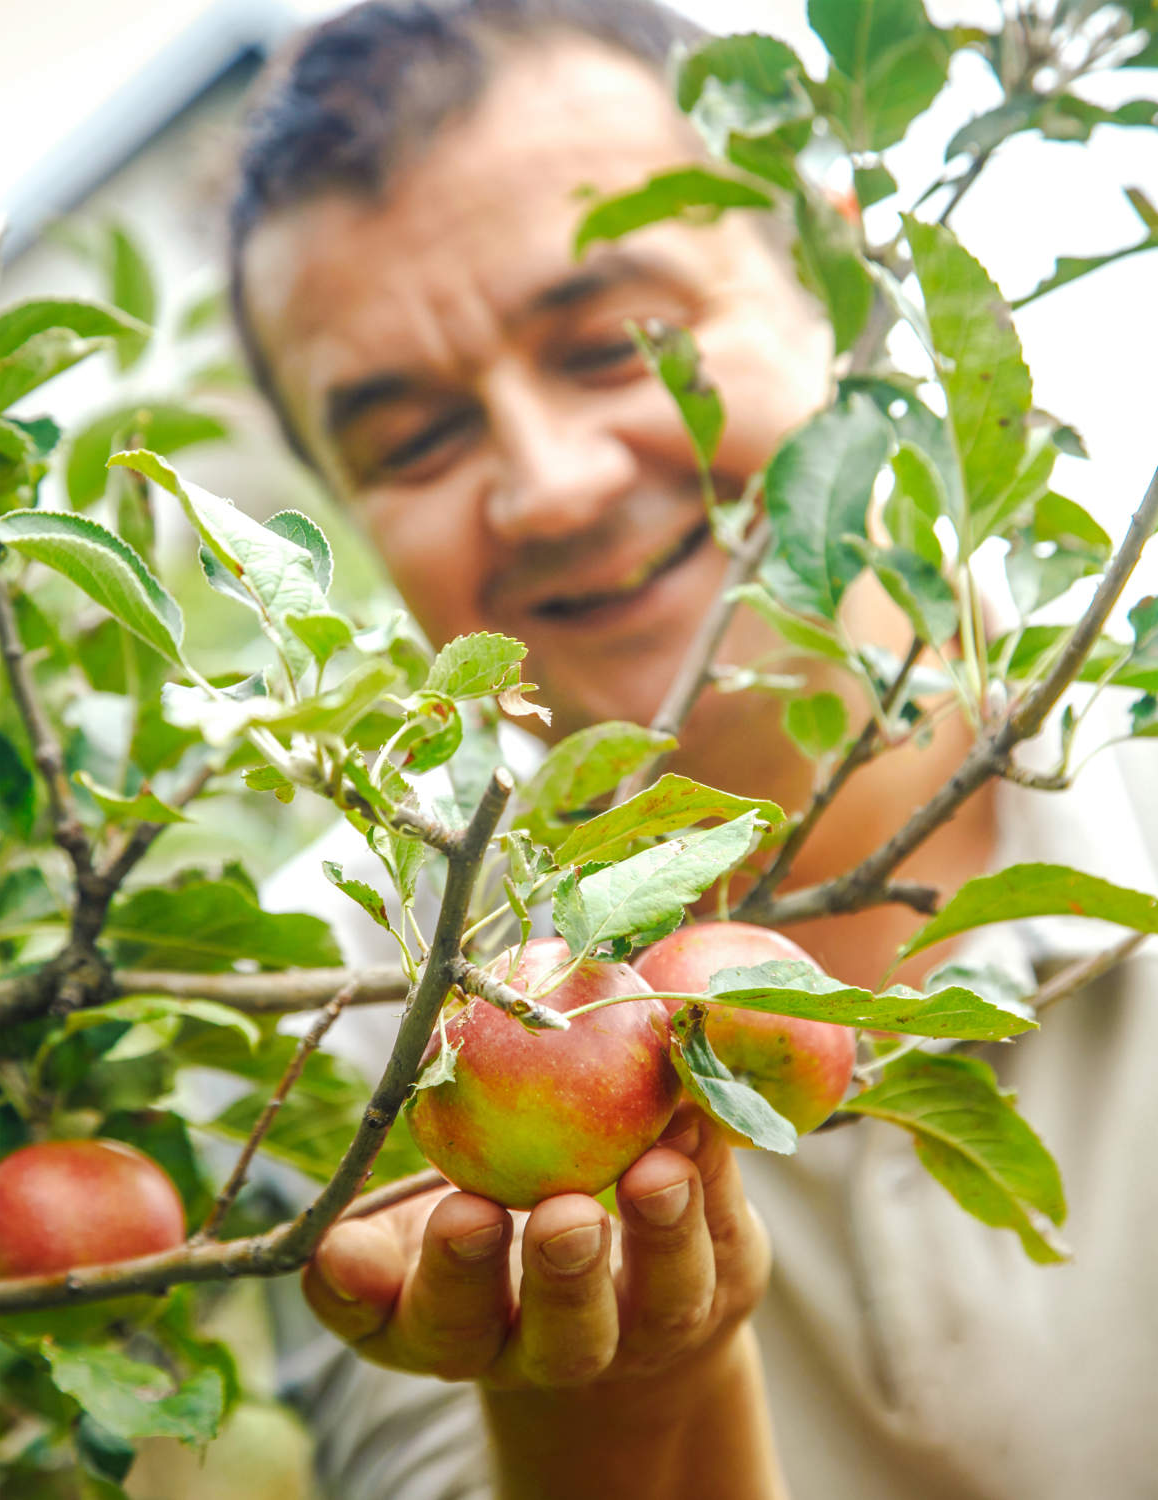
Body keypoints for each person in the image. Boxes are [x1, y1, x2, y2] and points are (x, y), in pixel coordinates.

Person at [232, 3, 1158, 1497]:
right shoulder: (343, 997)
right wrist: (609, 1398)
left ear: (844, 285)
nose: (550, 484)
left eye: (618, 344)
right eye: (411, 442)